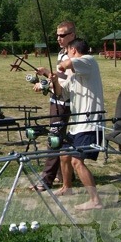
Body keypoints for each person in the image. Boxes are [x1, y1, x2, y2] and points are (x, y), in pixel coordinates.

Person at [39, 39, 104, 210]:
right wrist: (53, 79)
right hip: (77, 125)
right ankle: (67, 188)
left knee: (76, 161)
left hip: (90, 123)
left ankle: (95, 200)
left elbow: (67, 63)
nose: (65, 55)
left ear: (73, 50)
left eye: (67, 51)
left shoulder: (88, 61)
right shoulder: (75, 75)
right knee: (64, 155)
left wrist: (59, 68)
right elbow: (62, 93)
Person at [32, 21, 75, 191]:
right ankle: (64, 175)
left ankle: (46, 180)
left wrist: (46, 80)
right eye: (57, 35)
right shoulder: (62, 53)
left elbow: (65, 85)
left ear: (72, 35)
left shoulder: (73, 56)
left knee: (54, 140)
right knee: (60, 139)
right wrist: (46, 79)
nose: (58, 38)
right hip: (55, 101)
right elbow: (58, 80)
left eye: (62, 35)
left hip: (63, 103)